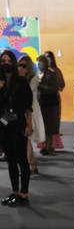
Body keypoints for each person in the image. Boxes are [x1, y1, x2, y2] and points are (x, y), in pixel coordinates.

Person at [0, 50, 33, 207]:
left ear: (13, 62)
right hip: (4, 126)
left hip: (19, 125)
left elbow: (28, 107)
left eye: (8, 60)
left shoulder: (21, 81)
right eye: (3, 60)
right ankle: (14, 192)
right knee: (11, 161)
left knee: (22, 160)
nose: (5, 63)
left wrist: (30, 125)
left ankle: (24, 194)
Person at [18, 55, 45, 174]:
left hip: (31, 109)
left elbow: (27, 92)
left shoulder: (33, 78)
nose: (21, 68)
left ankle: (30, 165)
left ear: (28, 66)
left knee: (28, 138)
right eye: (19, 65)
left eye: (23, 65)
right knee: (26, 139)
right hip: (22, 108)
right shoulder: (18, 78)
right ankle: (32, 165)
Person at [37, 54, 60, 156]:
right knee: (45, 126)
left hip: (50, 103)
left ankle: (50, 147)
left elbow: (55, 87)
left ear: (45, 63)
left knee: (50, 126)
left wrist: (42, 86)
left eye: (41, 62)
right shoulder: (40, 73)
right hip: (43, 102)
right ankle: (45, 146)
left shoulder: (50, 73)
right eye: (38, 62)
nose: (39, 64)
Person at [44, 50, 65, 150]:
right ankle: (45, 144)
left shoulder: (56, 70)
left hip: (53, 98)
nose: (47, 59)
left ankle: (51, 145)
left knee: (53, 122)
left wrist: (51, 86)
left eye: (49, 56)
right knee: (44, 123)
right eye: (45, 57)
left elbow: (61, 85)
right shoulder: (41, 71)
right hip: (42, 99)